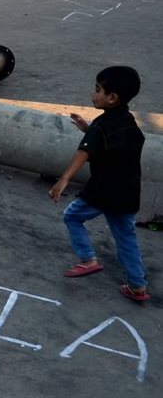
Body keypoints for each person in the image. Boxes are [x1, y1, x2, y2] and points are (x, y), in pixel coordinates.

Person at [50, 66, 148, 302]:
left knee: (72, 216)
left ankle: (88, 260)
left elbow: (84, 152)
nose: (92, 95)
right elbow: (108, 142)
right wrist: (88, 128)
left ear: (112, 98)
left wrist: (63, 180)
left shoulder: (102, 126)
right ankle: (137, 286)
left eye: (97, 90)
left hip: (103, 190)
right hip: (128, 192)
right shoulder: (127, 121)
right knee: (126, 236)